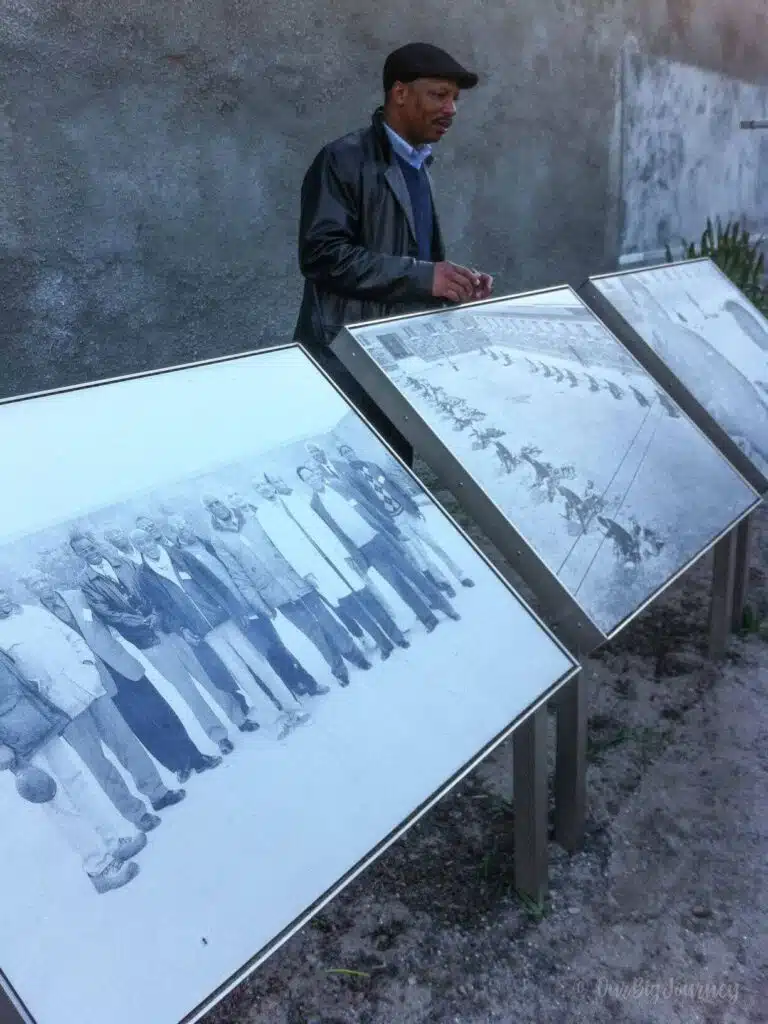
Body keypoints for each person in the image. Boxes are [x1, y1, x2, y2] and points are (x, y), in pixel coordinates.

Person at [294, 42, 493, 465]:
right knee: (350, 477)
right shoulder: (342, 160)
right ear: (399, 93)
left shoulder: (418, 164)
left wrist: (452, 283)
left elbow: (410, 258)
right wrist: (425, 277)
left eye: (455, 99)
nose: (452, 110)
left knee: (395, 474)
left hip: (396, 359)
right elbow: (321, 256)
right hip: (344, 363)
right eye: (439, 95)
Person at [0, 585, 168, 836]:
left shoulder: (35, 613)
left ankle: (158, 793)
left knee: (126, 743)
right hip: (62, 709)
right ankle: (137, 814)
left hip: (89, 688)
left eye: (2, 593)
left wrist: (88, 666)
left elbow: (72, 637)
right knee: (99, 764)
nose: (1, 600)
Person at [26, 574, 188, 815]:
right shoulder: (37, 618)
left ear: (49, 580)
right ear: (31, 590)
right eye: (35, 584)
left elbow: (113, 616)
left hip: (118, 663)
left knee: (156, 711)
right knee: (135, 727)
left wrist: (144, 631)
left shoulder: (78, 595)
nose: (41, 586)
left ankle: (188, 760)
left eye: (42, 581)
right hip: (90, 681)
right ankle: (174, 767)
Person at [69, 530, 222, 783]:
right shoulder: (86, 582)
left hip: (168, 626)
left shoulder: (124, 561)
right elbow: (107, 613)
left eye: (90, 546)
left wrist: (157, 615)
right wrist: (143, 623)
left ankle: (237, 718)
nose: (89, 552)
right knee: (186, 690)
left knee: (205, 676)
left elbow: (153, 589)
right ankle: (218, 736)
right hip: (145, 640)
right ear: (78, 555)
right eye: (82, 551)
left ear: (95, 543)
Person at [131, 529, 310, 741]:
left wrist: (236, 610)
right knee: (241, 674)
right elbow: (162, 609)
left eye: (146, 540)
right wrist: (182, 629)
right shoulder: (144, 576)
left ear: (153, 538)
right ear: (137, 548)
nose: (146, 546)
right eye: (140, 544)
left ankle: (292, 707)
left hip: (224, 618)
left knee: (258, 663)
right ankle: (275, 719)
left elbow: (215, 582)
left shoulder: (180, 555)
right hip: (203, 631)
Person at [0, 649, 144, 894]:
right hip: (15, 742)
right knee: (57, 802)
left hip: (37, 721)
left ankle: (112, 843)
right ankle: (98, 867)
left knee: (77, 784)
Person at [204, 494, 371, 688]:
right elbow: (237, 574)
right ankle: (338, 669)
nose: (217, 506)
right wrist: (258, 602)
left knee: (327, 620)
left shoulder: (252, 518)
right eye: (212, 505)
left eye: (218, 501)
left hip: (295, 578)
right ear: (209, 511)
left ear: (225, 502)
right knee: (312, 632)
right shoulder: (218, 539)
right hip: (273, 593)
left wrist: (306, 570)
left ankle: (355, 655)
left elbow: (285, 544)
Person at [171, 516, 328, 700]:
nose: (184, 529)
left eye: (185, 524)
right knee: (264, 651)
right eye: (178, 528)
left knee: (276, 643)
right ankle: (297, 686)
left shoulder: (209, 544)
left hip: (248, 600)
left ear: (190, 524)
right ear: (174, 533)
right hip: (231, 611)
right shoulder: (183, 558)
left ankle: (301, 683)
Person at [255, 478, 408, 661]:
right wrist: (305, 572)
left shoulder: (295, 500)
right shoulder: (264, 516)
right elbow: (283, 547)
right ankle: (384, 644)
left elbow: (322, 527)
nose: (263, 488)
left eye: (264, 484)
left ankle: (397, 636)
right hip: (314, 566)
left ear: (271, 485)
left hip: (334, 554)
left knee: (367, 597)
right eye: (258, 487)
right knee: (351, 606)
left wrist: (344, 553)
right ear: (257, 492)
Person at [296, 464, 459, 631]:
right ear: (305, 483)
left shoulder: (339, 485)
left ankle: (446, 608)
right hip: (365, 550)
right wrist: (352, 555)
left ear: (317, 473)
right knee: (397, 584)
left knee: (413, 573)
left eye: (313, 474)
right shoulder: (315, 505)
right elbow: (333, 533)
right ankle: (427, 619)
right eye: (307, 478)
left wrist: (393, 530)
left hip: (380, 537)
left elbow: (367, 506)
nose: (313, 478)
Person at [335, 442, 475, 595]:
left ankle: (460, 575)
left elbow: (394, 485)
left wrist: (412, 504)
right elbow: (366, 503)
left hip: (405, 511)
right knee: (421, 553)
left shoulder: (372, 466)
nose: (348, 454)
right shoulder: (351, 477)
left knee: (434, 544)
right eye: (344, 453)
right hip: (394, 520)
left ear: (354, 451)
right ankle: (444, 582)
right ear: (343, 458)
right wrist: (386, 524)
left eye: (349, 450)